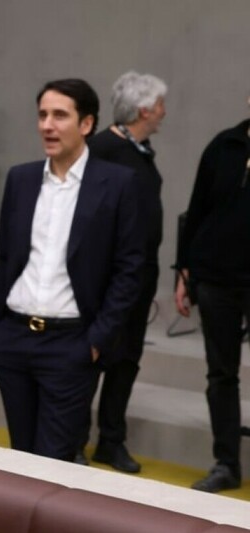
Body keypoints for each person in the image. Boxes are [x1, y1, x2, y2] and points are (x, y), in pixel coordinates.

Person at [0, 79, 143, 461]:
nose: (47, 125)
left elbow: (130, 269)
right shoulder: (21, 179)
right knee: (20, 456)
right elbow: (6, 258)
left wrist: (96, 341)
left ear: (86, 124)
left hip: (71, 344)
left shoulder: (118, 184)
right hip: (13, 339)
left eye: (59, 116)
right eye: (42, 115)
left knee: (53, 462)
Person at [85, 73, 167, 471]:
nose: (164, 112)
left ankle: (111, 440)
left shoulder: (141, 150)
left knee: (126, 361)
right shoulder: (101, 149)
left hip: (138, 276)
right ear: (144, 110)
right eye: (161, 105)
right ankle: (72, 439)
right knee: (94, 358)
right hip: (107, 279)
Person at [175, 94, 250, 492]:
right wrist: (183, 270)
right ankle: (226, 464)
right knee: (221, 375)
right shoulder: (224, 145)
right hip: (217, 279)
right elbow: (197, 209)